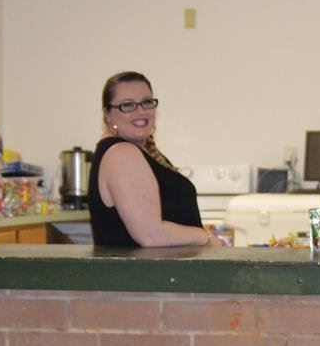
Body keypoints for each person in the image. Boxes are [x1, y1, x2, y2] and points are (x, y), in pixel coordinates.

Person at [88, 71, 222, 247]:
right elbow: (151, 236)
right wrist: (205, 237)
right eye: (127, 105)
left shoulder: (140, 152)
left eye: (147, 102)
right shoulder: (121, 153)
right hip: (143, 274)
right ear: (107, 114)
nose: (141, 111)